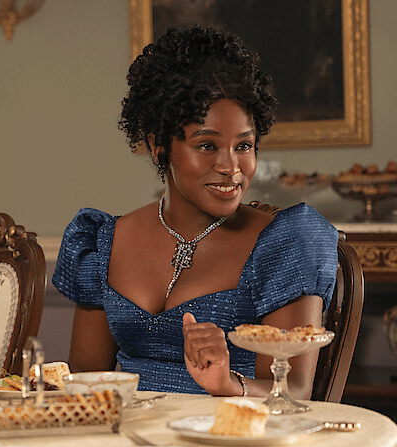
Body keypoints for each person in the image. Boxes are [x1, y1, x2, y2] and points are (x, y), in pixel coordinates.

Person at [52, 26, 338, 397]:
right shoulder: (105, 242)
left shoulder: (285, 244)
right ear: (158, 145)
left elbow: (294, 391)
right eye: (207, 145)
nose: (231, 167)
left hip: (232, 428)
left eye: (244, 146)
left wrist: (226, 383)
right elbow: (85, 381)